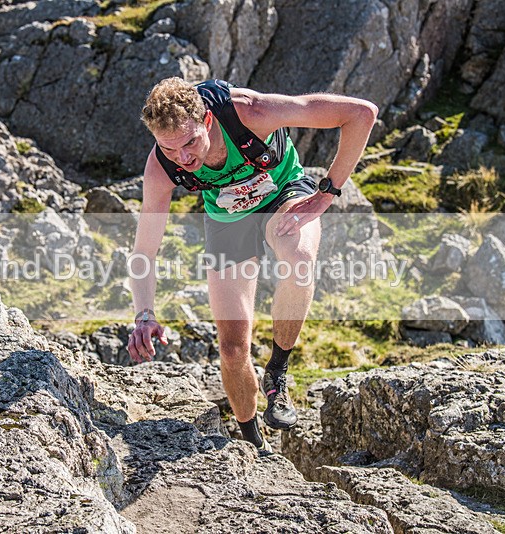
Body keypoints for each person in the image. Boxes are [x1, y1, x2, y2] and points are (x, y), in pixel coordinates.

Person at [126, 77, 377, 453]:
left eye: (190, 142)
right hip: (228, 218)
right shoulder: (162, 167)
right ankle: (252, 443)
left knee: (299, 259)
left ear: (207, 121)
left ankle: (277, 370)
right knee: (230, 348)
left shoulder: (251, 112)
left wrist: (328, 193)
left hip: (284, 195)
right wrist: (143, 314)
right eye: (169, 147)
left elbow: (361, 114)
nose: (184, 158)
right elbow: (144, 251)